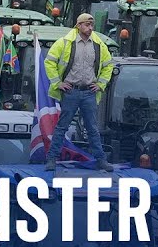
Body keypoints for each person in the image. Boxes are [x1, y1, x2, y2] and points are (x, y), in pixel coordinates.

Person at [43, 13, 114, 171]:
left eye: (91, 25)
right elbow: (49, 62)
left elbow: (109, 64)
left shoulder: (98, 45)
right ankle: (51, 159)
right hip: (71, 92)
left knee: (92, 128)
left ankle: (101, 160)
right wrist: (57, 83)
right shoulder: (65, 42)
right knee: (62, 127)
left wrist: (101, 84)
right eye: (87, 25)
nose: (90, 28)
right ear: (78, 25)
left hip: (89, 92)